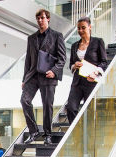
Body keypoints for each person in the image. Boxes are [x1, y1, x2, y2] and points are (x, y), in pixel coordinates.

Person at [20, 8, 66, 145]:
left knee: (47, 106)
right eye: (38, 18)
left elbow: (62, 58)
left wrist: (54, 71)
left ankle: (47, 134)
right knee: (24, 100)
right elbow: (28, 60)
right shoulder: (31, 38)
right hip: (33, 76)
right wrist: (24, 79)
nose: (40, 20)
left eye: (43, 18)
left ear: (48, 19)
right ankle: (34, 131)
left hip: (48, 75)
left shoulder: (57, 35)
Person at [63, 17, 107, 122]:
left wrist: (96, 72)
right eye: (78, 28)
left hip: (91, 81)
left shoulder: (98, 42)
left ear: (90, 27)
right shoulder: (74, 46)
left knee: (89, 111)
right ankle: (75, 133)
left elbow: (104, 62)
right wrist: (74, 65)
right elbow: (71, 65)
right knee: (71, 108)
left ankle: (87, 135)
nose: (80, 31)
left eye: (83, 28)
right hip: (77, 82)